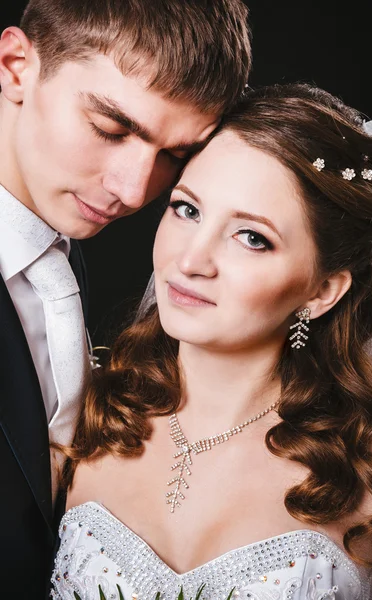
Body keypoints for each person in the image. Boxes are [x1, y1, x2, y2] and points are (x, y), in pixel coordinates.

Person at [52, 84, 372, 600]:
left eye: (251, 237)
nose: (191, 260)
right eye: (187, 210)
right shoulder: (85, 411)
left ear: (322, 291)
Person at [0, 0, 251, 595]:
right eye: (110, 129)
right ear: (14, 66)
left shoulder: (62, 242)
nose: (135, 190)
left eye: (174, 155)